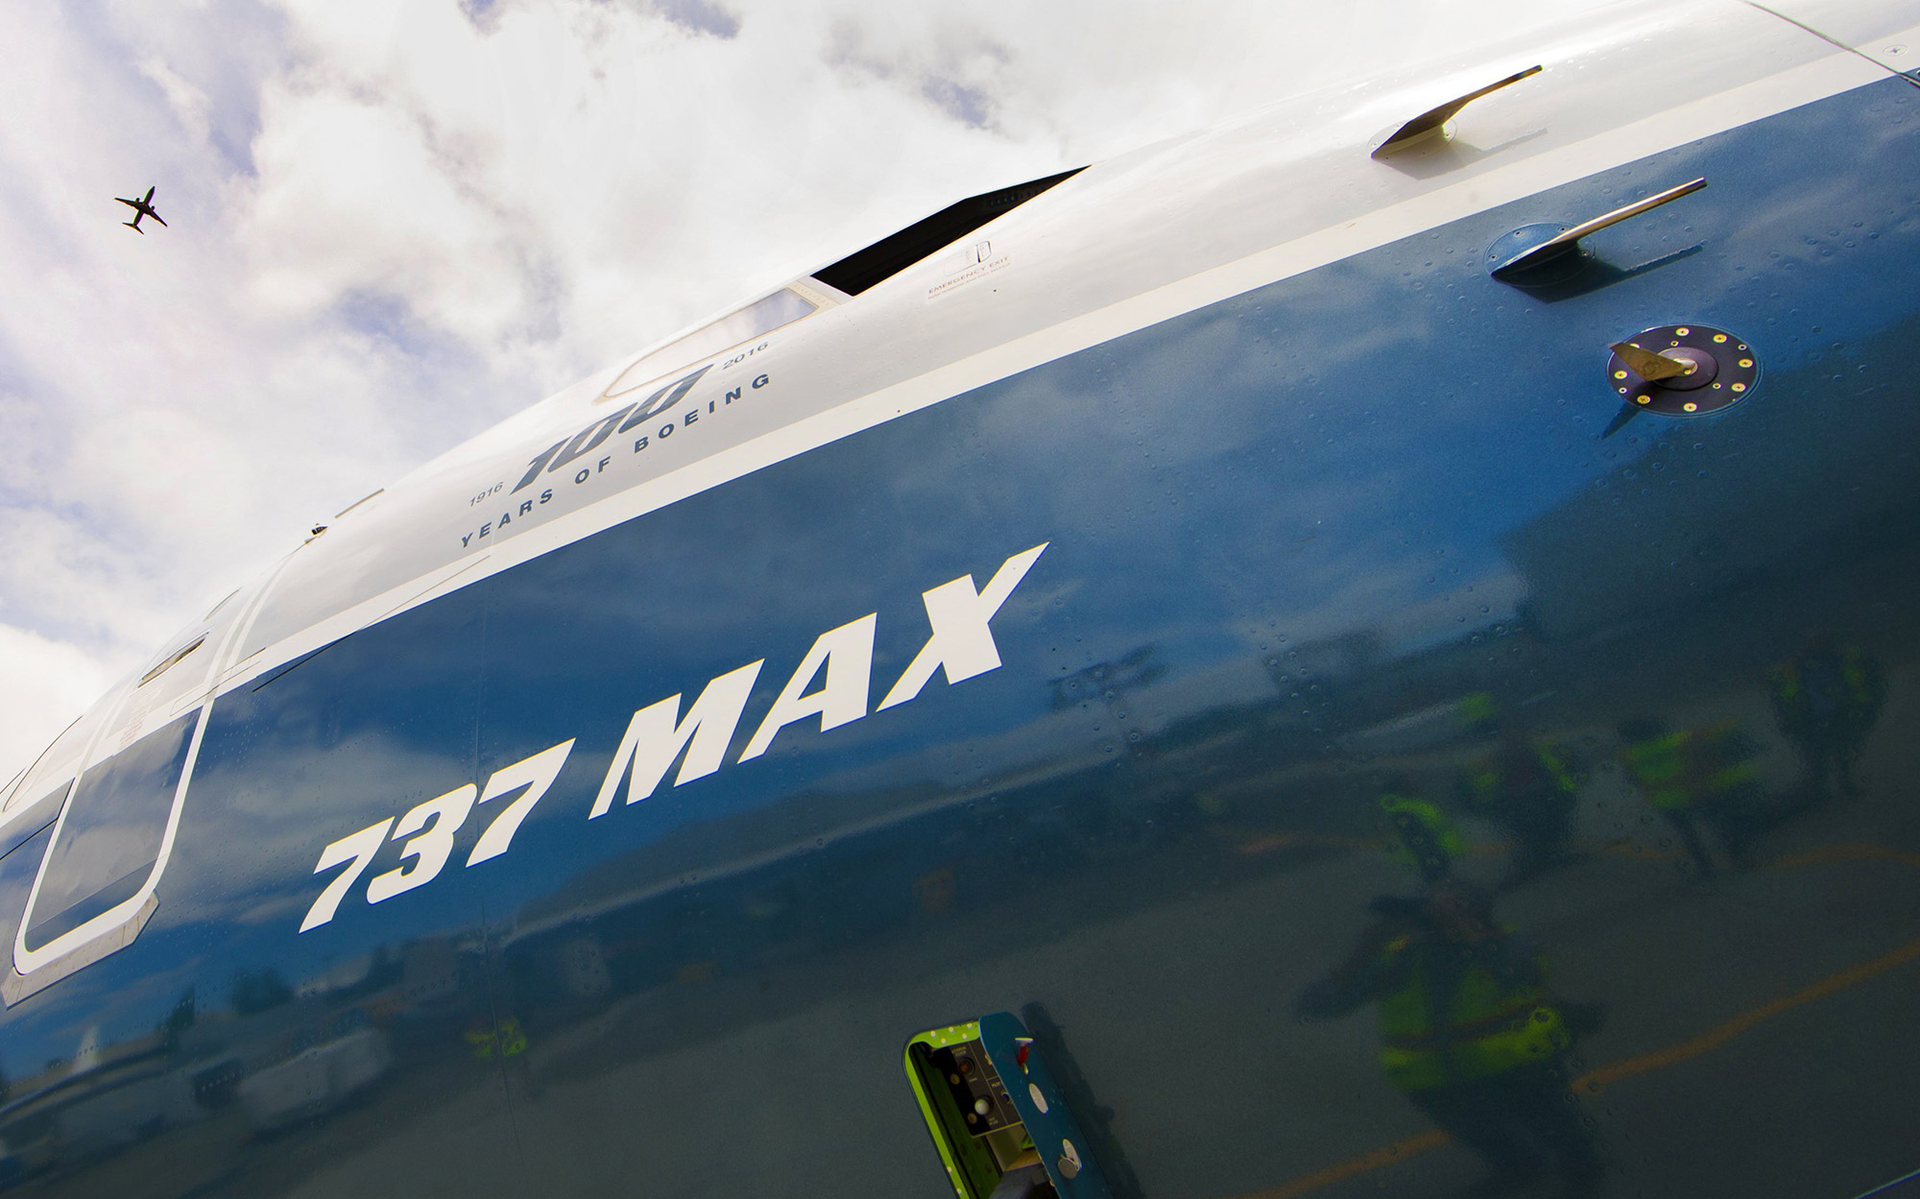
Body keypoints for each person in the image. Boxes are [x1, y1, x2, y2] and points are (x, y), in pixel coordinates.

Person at [1297, 882, 1603, 1197]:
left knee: (1552, 1122)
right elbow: (1317, 1005)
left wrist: (1472, 936)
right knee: (1479, 1131)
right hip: (1437, 1078)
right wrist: (1360, 956)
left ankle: (1583, 1168)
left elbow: (1521, 973)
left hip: (1517, 1063)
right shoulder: (1402, 956)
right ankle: (1519, 1165)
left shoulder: (1507, 942)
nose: (1432, 921)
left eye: (1447, 910)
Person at [1616, 718, 1759, 873]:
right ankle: (1738, 858)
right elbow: (1707, 758)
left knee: (1688, 835)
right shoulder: (1683, 740)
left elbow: (1633, 780)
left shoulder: (1629, 756)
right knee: (1717, 824)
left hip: (1666, 801)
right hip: (1696, 793)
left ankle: (1705, 868)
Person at [1457, 726, 1586, 887]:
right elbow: (1482, 788)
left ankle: (1552, 852)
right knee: (1527, 830)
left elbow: (1556, 772)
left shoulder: (1537, 754)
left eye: (1520, 738)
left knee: (1551, 824)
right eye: (1512, 740)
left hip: (1543, 797)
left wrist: (1562, 793)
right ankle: (1534, 858)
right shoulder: (1497, 760)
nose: (1518, 742)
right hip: (1515, 803)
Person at [1770, 634, 1885, 802]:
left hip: (1839, 713)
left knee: (1842, 750)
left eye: (1820, 642)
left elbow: (1862, 674)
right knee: (1817, 756)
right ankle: (1820, 789)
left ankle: (1845, 783)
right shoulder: (1796, 667)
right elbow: (1782, 693)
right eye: (1812, 643)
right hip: (1810, 718)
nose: (1816, 646)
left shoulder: (1839, 660)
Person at [1378, 774, 1463, 886]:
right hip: (1433, 862)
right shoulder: (1403, 811)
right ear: (1400, 787)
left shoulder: (1412, 804)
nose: (1415, 782)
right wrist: (1435, 863)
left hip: (1441, 858)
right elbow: (1418, 843)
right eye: (1407, 781)